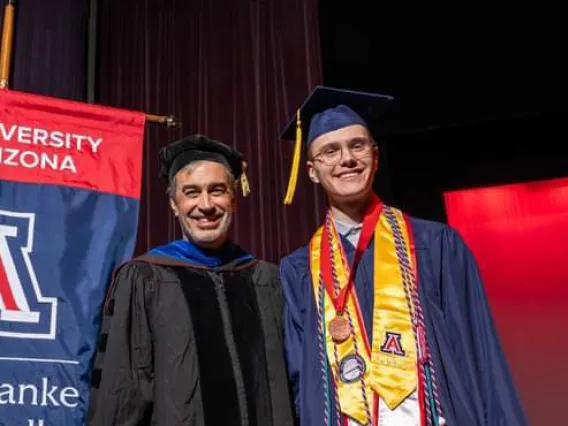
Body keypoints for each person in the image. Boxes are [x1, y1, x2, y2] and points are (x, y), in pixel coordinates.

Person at [279, 86, 528, 426]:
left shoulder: (436, 245)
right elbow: (300, 379)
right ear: (311, 170)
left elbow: (481, 356)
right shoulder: (298, 271)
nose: (347, 159)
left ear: (376, 156)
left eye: (357, 145)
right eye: (330, 151)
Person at [89, 134, 294, 426]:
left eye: (217, 190)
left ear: (233, 200)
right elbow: (121, 393)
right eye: (192, 192)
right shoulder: (145, 279)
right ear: (174, 204)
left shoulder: (268, 281)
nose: (206, 204)